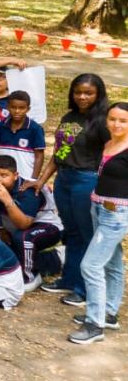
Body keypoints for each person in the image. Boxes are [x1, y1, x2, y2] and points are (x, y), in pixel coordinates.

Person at [41, 73, 109, 304]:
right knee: (71, 232)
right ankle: (68, 280)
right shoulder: (69, 117)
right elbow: (60, 153)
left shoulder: (102, 121)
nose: (82, 96)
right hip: (64, 179)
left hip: (86, 180)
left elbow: (110, 156)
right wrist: (42, 181)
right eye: (78, 92)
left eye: (88, 93)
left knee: (86, 234)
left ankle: (84, 289)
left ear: (98, 94)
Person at [69, 101, 128, 344]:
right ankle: (109, 312)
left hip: (117, 213)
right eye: (112, 119)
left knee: (91, 266)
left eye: (123, 121)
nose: (116, 124)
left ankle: (95, 324)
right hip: (99, 206)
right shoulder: (109, 143)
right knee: (111, 263)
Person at [0, 155, 61, 290]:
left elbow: (24, 224)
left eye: (4, 175)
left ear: (15, 175)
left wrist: (8, 201)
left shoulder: (28, 190)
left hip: (48, 226)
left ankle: (28, 277)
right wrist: (1, 229)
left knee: (23, 238)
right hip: (16, 226)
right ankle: (53, 259)